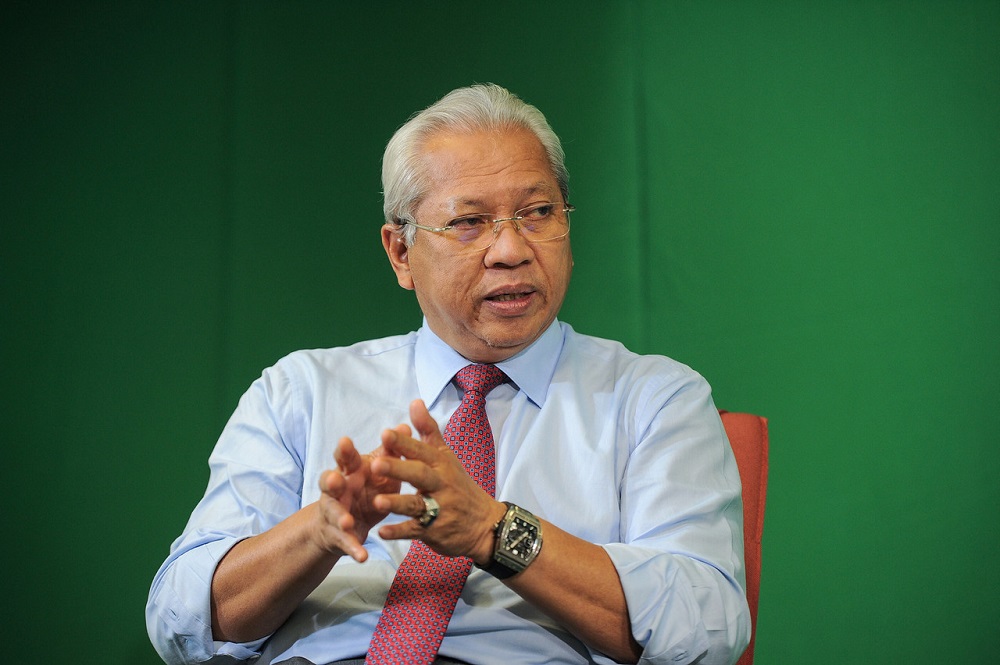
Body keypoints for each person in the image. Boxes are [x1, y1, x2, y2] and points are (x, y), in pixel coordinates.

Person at [146, 83, 750, 665]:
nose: (511, 249)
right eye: (469, 223)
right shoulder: (300, 391)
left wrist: (492, 529)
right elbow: (182, 622)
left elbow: (708, 628)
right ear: (401, 253)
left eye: (537, 213)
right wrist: (319, 531)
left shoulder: (654, 399)